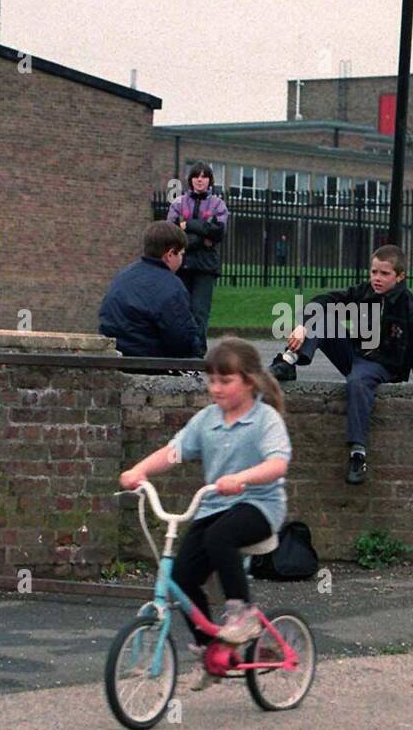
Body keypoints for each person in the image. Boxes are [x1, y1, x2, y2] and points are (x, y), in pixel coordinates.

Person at [119, 338, 291, 690]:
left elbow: (277, 463)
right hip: (213, 506)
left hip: (259, 506)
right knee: (180, 577)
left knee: (220, 536)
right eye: (211, 380)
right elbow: (174, 451)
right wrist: (139, 471)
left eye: (225, 381)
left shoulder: (265, 418)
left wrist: (241, 479)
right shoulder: (207, 420)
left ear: (248, 381)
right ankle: (213, 651)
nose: (216, 388)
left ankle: (242, 613)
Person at [268, 244, 413, 485]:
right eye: (374, 272)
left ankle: (358, 452)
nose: (377, 278)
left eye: (384, 274)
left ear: (400, 277)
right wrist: (303, 324)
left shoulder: (412, 310)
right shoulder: (365, 292)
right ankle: (288, 362)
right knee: (322, 318)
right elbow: (327, 300)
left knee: (356, 381)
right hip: (357, 355)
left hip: (385, 367)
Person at [97, 221, 202, 359]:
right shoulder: (171, 285)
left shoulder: (124, 275)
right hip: (150, 361)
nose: (182, 259)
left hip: (117, 356)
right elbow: (182, 338)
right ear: (170, 254)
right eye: (181, 254)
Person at [167, 162, 229, 352]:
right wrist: (203, 232)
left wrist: (188, 225)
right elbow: (171, 230)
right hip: (182, 264)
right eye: (196, 176)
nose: (199, 180)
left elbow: (218, 232)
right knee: (181, 309)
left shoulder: (218, 205)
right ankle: (181, 349)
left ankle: (198, 352)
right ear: (191, 180)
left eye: (204, 176)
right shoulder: (178, 203)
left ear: (210, 180)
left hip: (205, 267)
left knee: (200, 311)